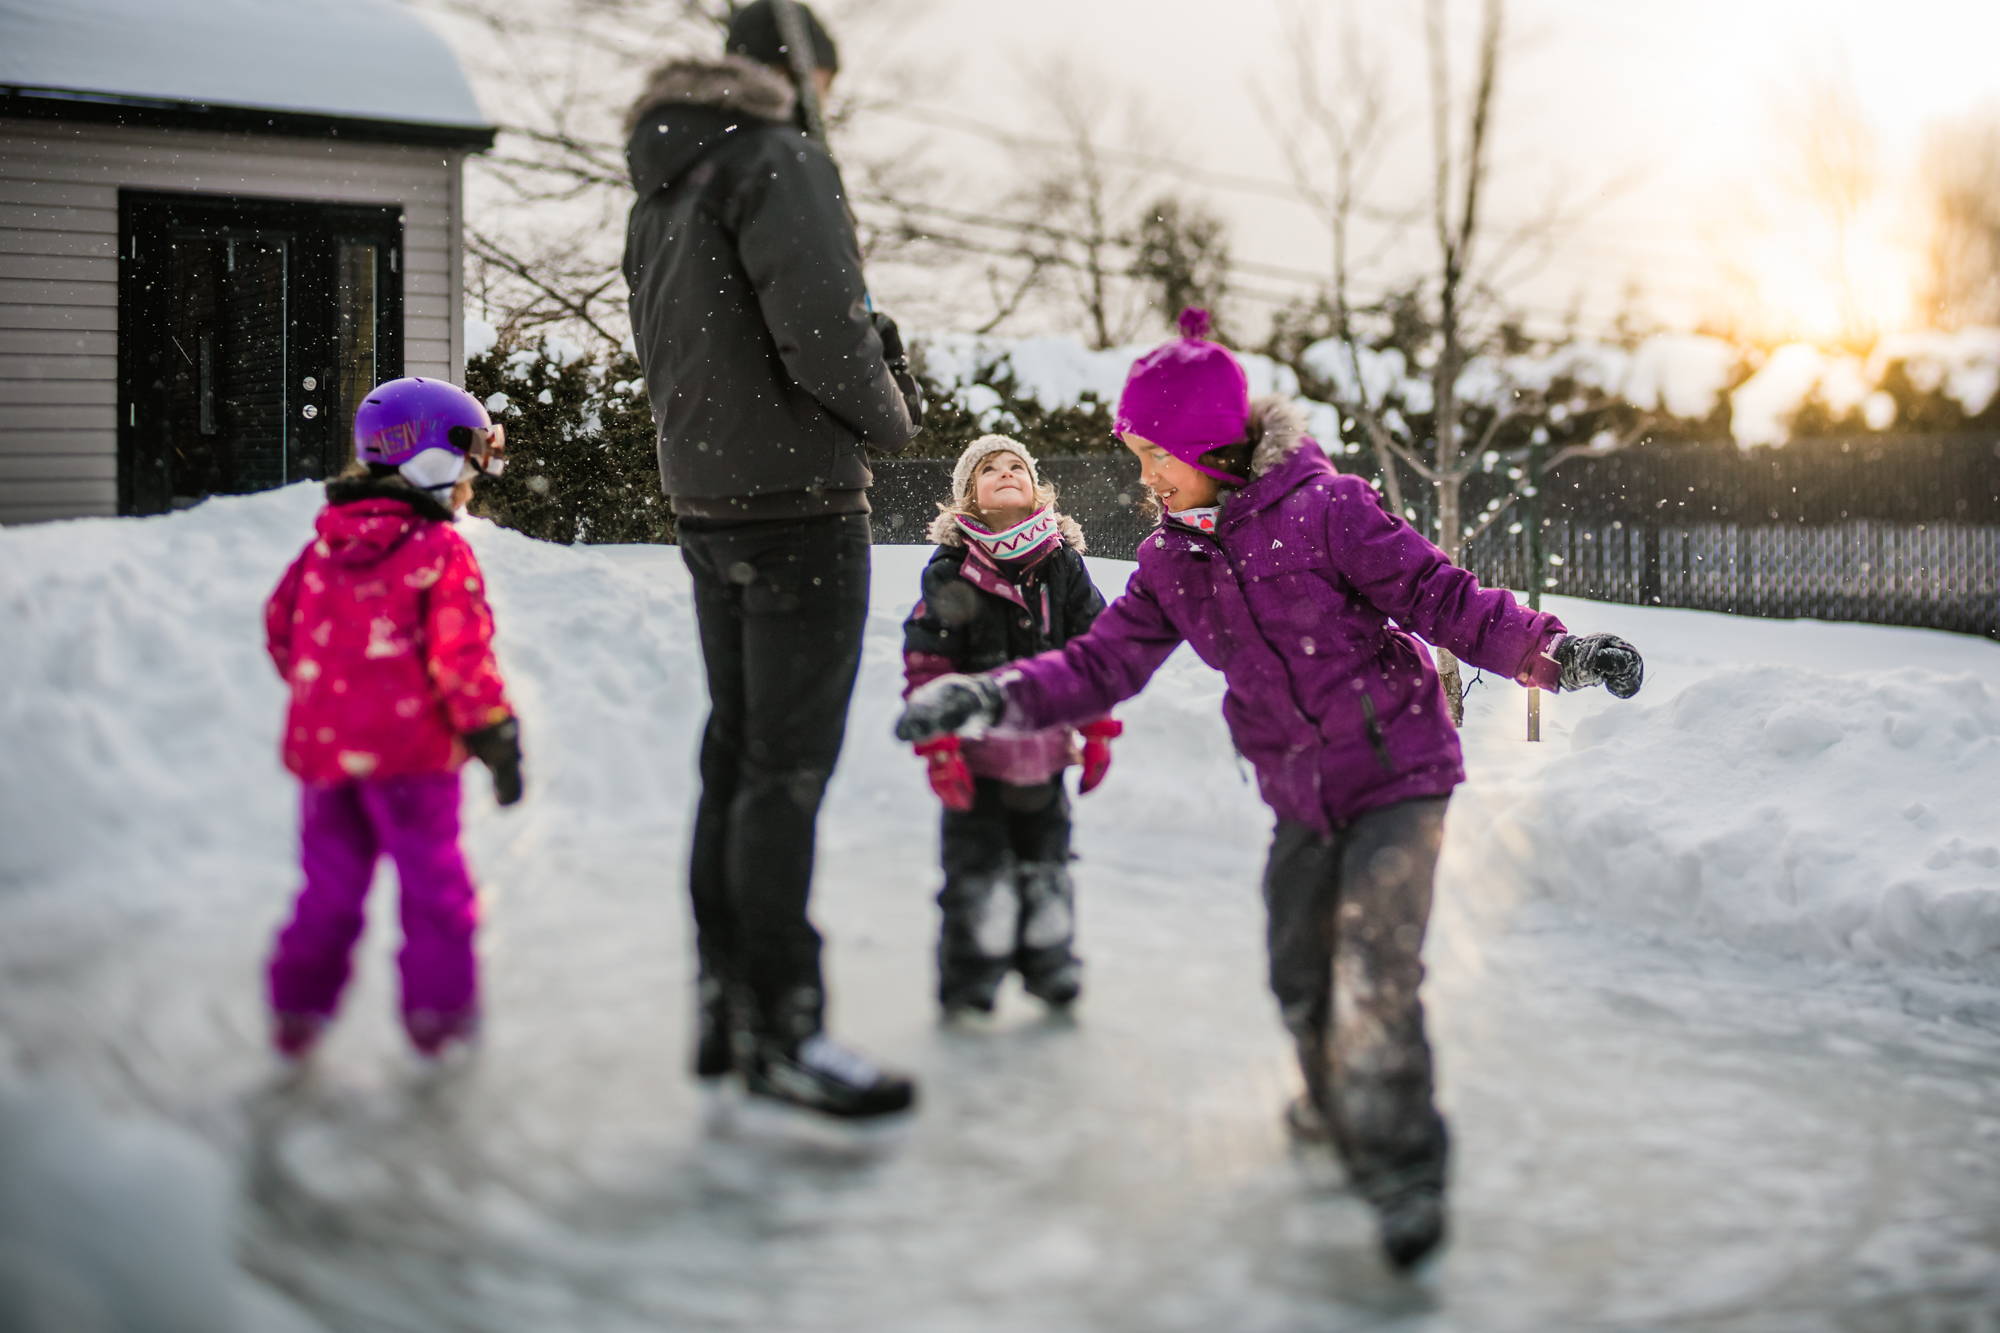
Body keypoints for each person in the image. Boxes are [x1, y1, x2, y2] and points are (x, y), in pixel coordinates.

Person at [895, 310, 1644, 1269]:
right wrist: (988, 695)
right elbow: (1100, 662)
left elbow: (1444, 598)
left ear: (1208, 443)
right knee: (1297, 968)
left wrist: (1558, 652)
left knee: (1375, 965)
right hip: (1301, 793)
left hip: (1400, 774)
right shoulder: (1173, 559)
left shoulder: (1329, 510)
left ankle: (1403, 1166)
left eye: (1154, 455)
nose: (1145, 478)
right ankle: (1332, 1103)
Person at [622, 0, 923, 1118]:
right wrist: (892, 414)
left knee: (738, 756)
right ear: (799, 73)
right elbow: (826, 334)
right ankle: (784, 1026)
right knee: (783, 772)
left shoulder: (664, 183)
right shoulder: (776, 160)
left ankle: (727, 1001)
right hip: (799, 506)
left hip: (710, 505)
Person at [262, 377, 524, 1063]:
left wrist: (334, 700)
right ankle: (440, 1023)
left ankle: (296, 1013)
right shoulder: (440, 551)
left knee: (329, 890)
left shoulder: (322, 547)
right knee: (434, 890)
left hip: (327, 761)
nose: (469, 482)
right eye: (466, 464)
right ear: (431, 458)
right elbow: (462, 659)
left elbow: (282, 631)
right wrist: (494, 734)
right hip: (412, 763)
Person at [902, 436, 1118, 1019]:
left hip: (1045, 755)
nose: (1005, 473)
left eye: (1016, 466)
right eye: (988, 469)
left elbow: (1093, 651)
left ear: (1035, 486)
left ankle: (1050, 964)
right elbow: (928, 661)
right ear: (968, 496)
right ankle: (971, 976)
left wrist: (1097, 729)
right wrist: (940, 746)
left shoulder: (1062, 564)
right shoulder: (951, 568)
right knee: (979, 873)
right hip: (977, 759)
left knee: (1047, 866)